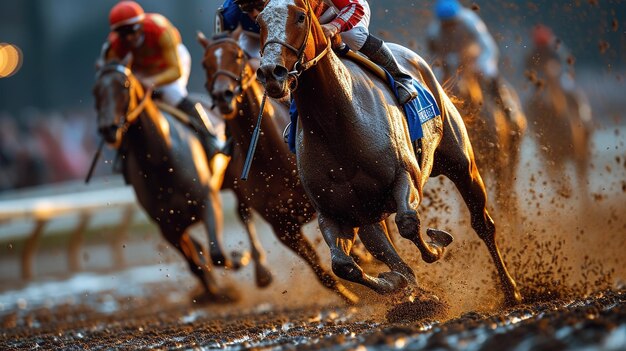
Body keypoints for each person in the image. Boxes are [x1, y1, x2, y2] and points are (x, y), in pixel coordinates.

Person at [103, 1, 219, 158]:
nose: (129, 38)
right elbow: (113, 73)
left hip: (171, 64)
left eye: (132, 31)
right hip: (141, 72)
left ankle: (210, 138)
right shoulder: (115, 44)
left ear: (141, 24)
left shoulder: (160, 29)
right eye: (123, 34)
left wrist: (151, 83)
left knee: (174, 95)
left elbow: (175, 71)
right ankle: (122, 155)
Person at [318, 0, 418, 104]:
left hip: (350, 8)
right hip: (315, 20)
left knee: (352, 35)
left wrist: (334, 26)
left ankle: (401, 78)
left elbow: (356, 8)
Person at [426, 0, 512, 120]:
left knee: (489, 73)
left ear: (458, 18)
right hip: (451, 65)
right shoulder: (434, 31)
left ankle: (505, 111)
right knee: (435, 85)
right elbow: (433, 58)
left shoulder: (470, 21)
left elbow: (489, 47)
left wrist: (481, 64)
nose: (450, 28)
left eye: (452, 23)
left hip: (475, 58)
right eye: (446, 24)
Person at [215, 0, 265, 71]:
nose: (255, 14)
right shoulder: (230, 14)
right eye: (247, 7)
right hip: (251, 37)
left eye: (260, 6)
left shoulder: (284, 6)